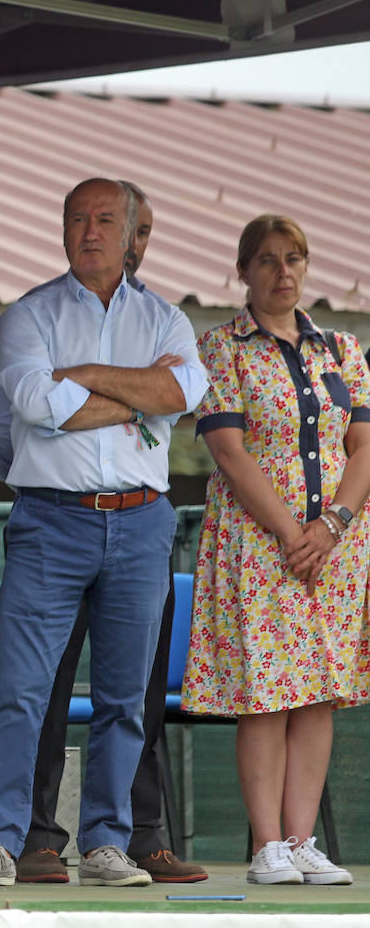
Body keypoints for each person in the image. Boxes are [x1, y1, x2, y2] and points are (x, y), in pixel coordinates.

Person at [0, 177, 207, 888]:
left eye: (105, 220)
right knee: (21, 690)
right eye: (77, 219)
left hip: (142, 520)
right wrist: (134, 398)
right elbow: (29, 408)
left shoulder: (167, 320)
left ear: (132, 237)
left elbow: (184, 395)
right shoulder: (28, 316)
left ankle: (105, 843)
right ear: (62, 231)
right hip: (51, 519)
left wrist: (86, 381)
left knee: (130, 698)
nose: (90, 231)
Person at [183, 215, 369, 887]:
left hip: (337, 549)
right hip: (262, 544)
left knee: (317, 694)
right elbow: (229, 453)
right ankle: (267, 847)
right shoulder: (222, 348)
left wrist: (334, 525)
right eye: (266, 260)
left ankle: (301, 840)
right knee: (266, 694)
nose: (281, 271)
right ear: (243, 271)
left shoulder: (342, 349)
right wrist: (295, 533)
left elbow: (365, 445)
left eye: (293, 258)